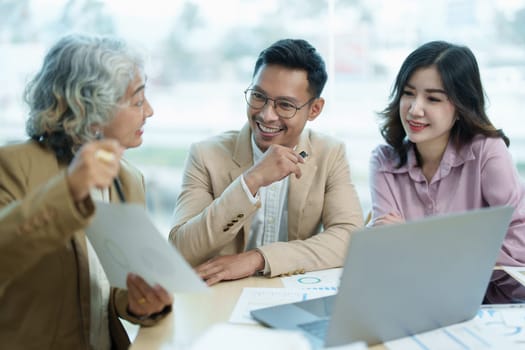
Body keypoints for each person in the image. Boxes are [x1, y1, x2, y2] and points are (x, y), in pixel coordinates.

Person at [0, 34, 173, 349]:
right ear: (90, 108)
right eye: (137, 100)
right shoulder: (12, 166)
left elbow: (116, 286)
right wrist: (69, 191)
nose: (149, 111)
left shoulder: (128, 179)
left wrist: (139, 303)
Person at [169, 38, 364, 286]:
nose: (266, 115)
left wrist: (258, 259)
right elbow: (180, 249)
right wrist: (251, 181)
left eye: (285, 105)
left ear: (314, 109)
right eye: (258, 96)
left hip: (292, 292)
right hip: (220, 296)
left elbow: (349, 238)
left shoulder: (330, 153)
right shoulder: (205, 155)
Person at [368, 40, 525, 265]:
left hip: (493, 297)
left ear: (462, 106)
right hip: (415, 292)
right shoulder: (383, 161)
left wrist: (416, 240)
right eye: (408, 93)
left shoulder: (487, 151)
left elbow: (518, 245)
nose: (415, 109)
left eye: (433, 99)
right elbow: (390, 251)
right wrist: (466, 248)